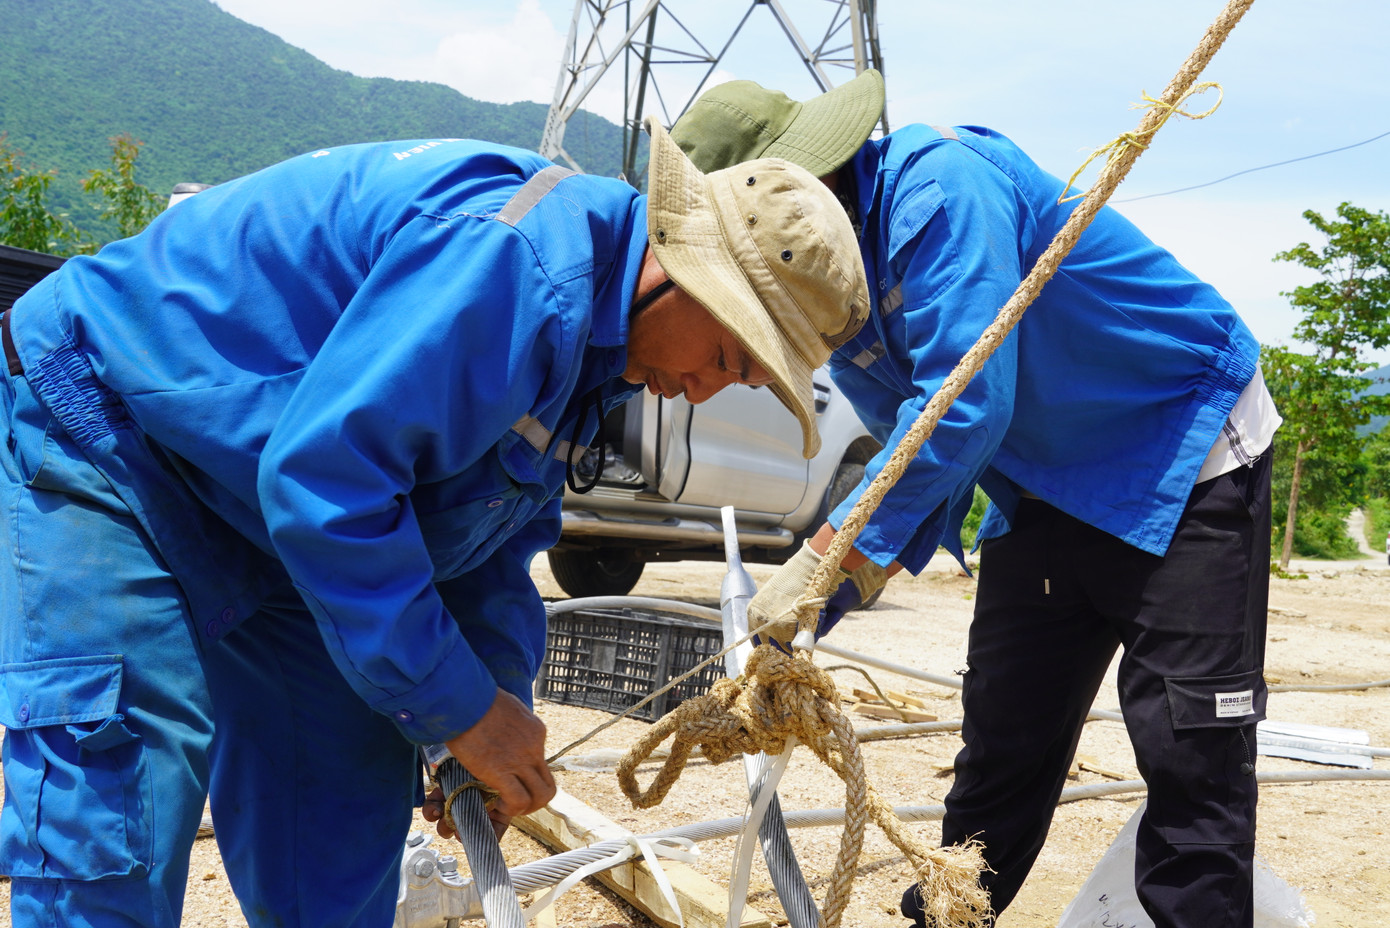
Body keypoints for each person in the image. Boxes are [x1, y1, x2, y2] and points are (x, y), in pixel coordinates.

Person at [0, 120, 868, 928]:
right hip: (109, 436)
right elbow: (325, 484)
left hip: (273, 509)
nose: (709, 388)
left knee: (339, 808)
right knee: (124, 796)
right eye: (727, 356)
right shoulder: (517, 268)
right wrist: (458, 710)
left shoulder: (599, 347)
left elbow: (485, 535)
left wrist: (487, 699)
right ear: (677, 270)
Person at [672, 71, 1281, 928]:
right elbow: (922, 461)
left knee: (1190, 759)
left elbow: (964, 403)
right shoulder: (837, 294)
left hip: (1180, 445)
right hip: (1041, 484)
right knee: (1003, 748)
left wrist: (823, 556)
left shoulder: (941, 185)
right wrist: (818, 607)